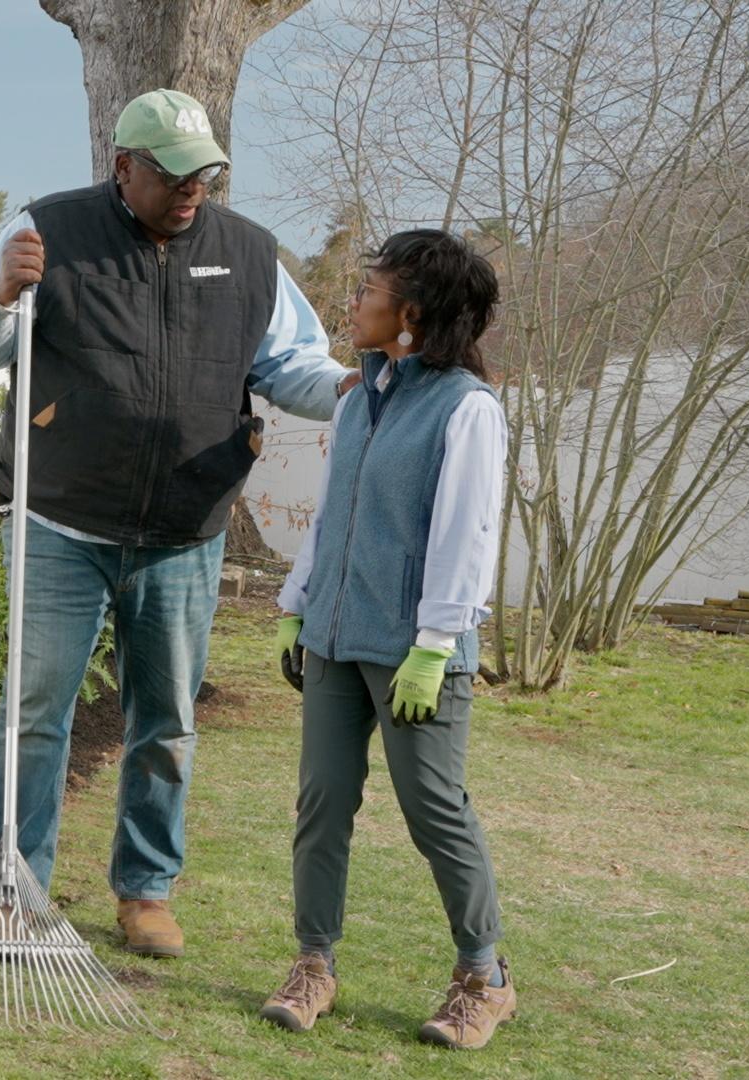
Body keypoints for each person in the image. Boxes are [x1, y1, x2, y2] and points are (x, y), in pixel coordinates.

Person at [0, 88, 359, 959]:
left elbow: (291, 366)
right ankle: (12, 892)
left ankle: (146, 890)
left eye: (206, 172)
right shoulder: (46, 230)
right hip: (61, 520)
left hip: (183, 530)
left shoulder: (248, 253)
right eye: (172, 175)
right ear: (123, 167)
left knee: (165, 720)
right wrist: (6, 295)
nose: (192, 190)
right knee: (35, 716)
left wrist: (353, 390)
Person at [260, 229, 513, 1050]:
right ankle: (314, 965)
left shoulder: (467, 410)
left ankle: (485, 977)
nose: (354, 299)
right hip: (333, 638)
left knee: (435, 812)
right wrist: (299, 601)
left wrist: (437, 645)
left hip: (414, 655)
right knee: (321, 806)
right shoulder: (355, 395)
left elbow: (465, 537)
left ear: (409, 313)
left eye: (369, 289)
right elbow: (335, 512)